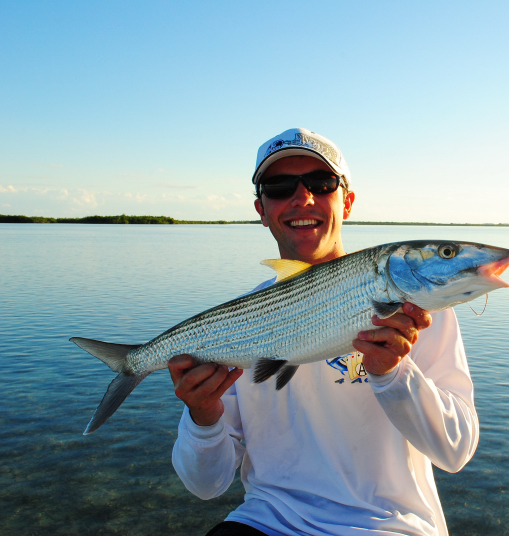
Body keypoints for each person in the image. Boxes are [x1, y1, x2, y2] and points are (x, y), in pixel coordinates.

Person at [168, 128, 479, 536]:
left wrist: (394, 374)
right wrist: (203, 417)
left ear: (346, 201)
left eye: (321, 183)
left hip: (388, 527)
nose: (303, 198)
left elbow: (455, 452)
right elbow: (206, 486)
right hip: (265, 521)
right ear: (261, 210)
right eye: (280, 187)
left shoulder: (418, 307)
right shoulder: (240, 323)